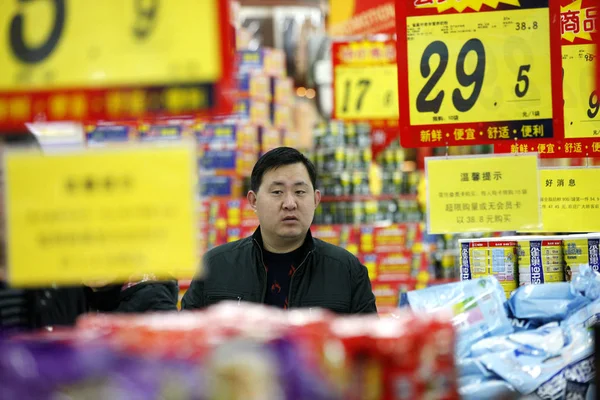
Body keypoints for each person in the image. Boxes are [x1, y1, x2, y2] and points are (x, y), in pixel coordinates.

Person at [182, 147, 377, 314]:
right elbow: (185, 344)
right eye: (277, 192)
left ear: (316, 199)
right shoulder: (214, 267)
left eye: (300, 192)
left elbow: (369, 350)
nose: (290, 203)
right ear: (253, 201)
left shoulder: (347, 271)